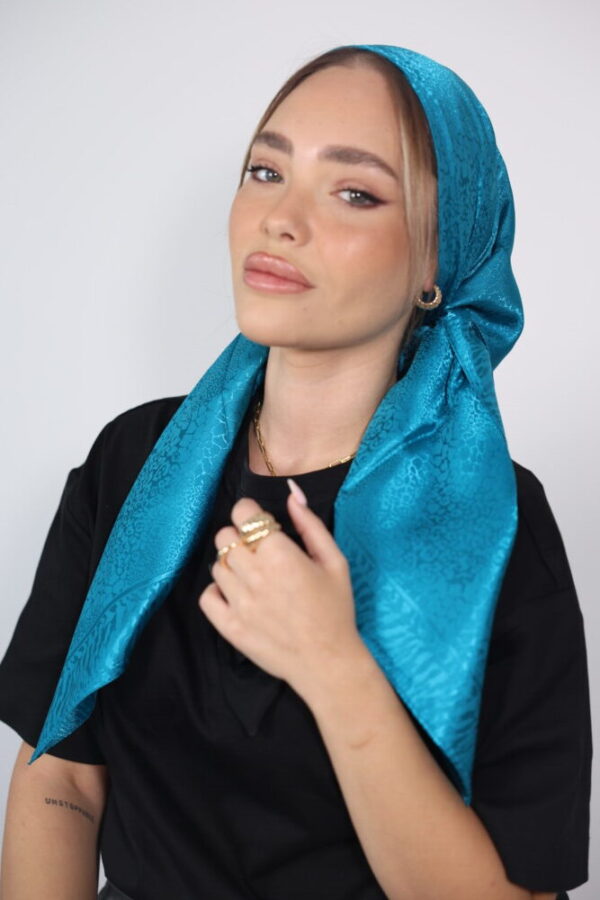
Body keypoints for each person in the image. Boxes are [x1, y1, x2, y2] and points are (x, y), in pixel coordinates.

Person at [0, 43, 591, 900]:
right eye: (266, 171)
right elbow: (61, 777)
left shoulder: (491, 521)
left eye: (354, 192)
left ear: (436, 261)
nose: (280, 218)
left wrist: (333, 667)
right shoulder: (134, 463)